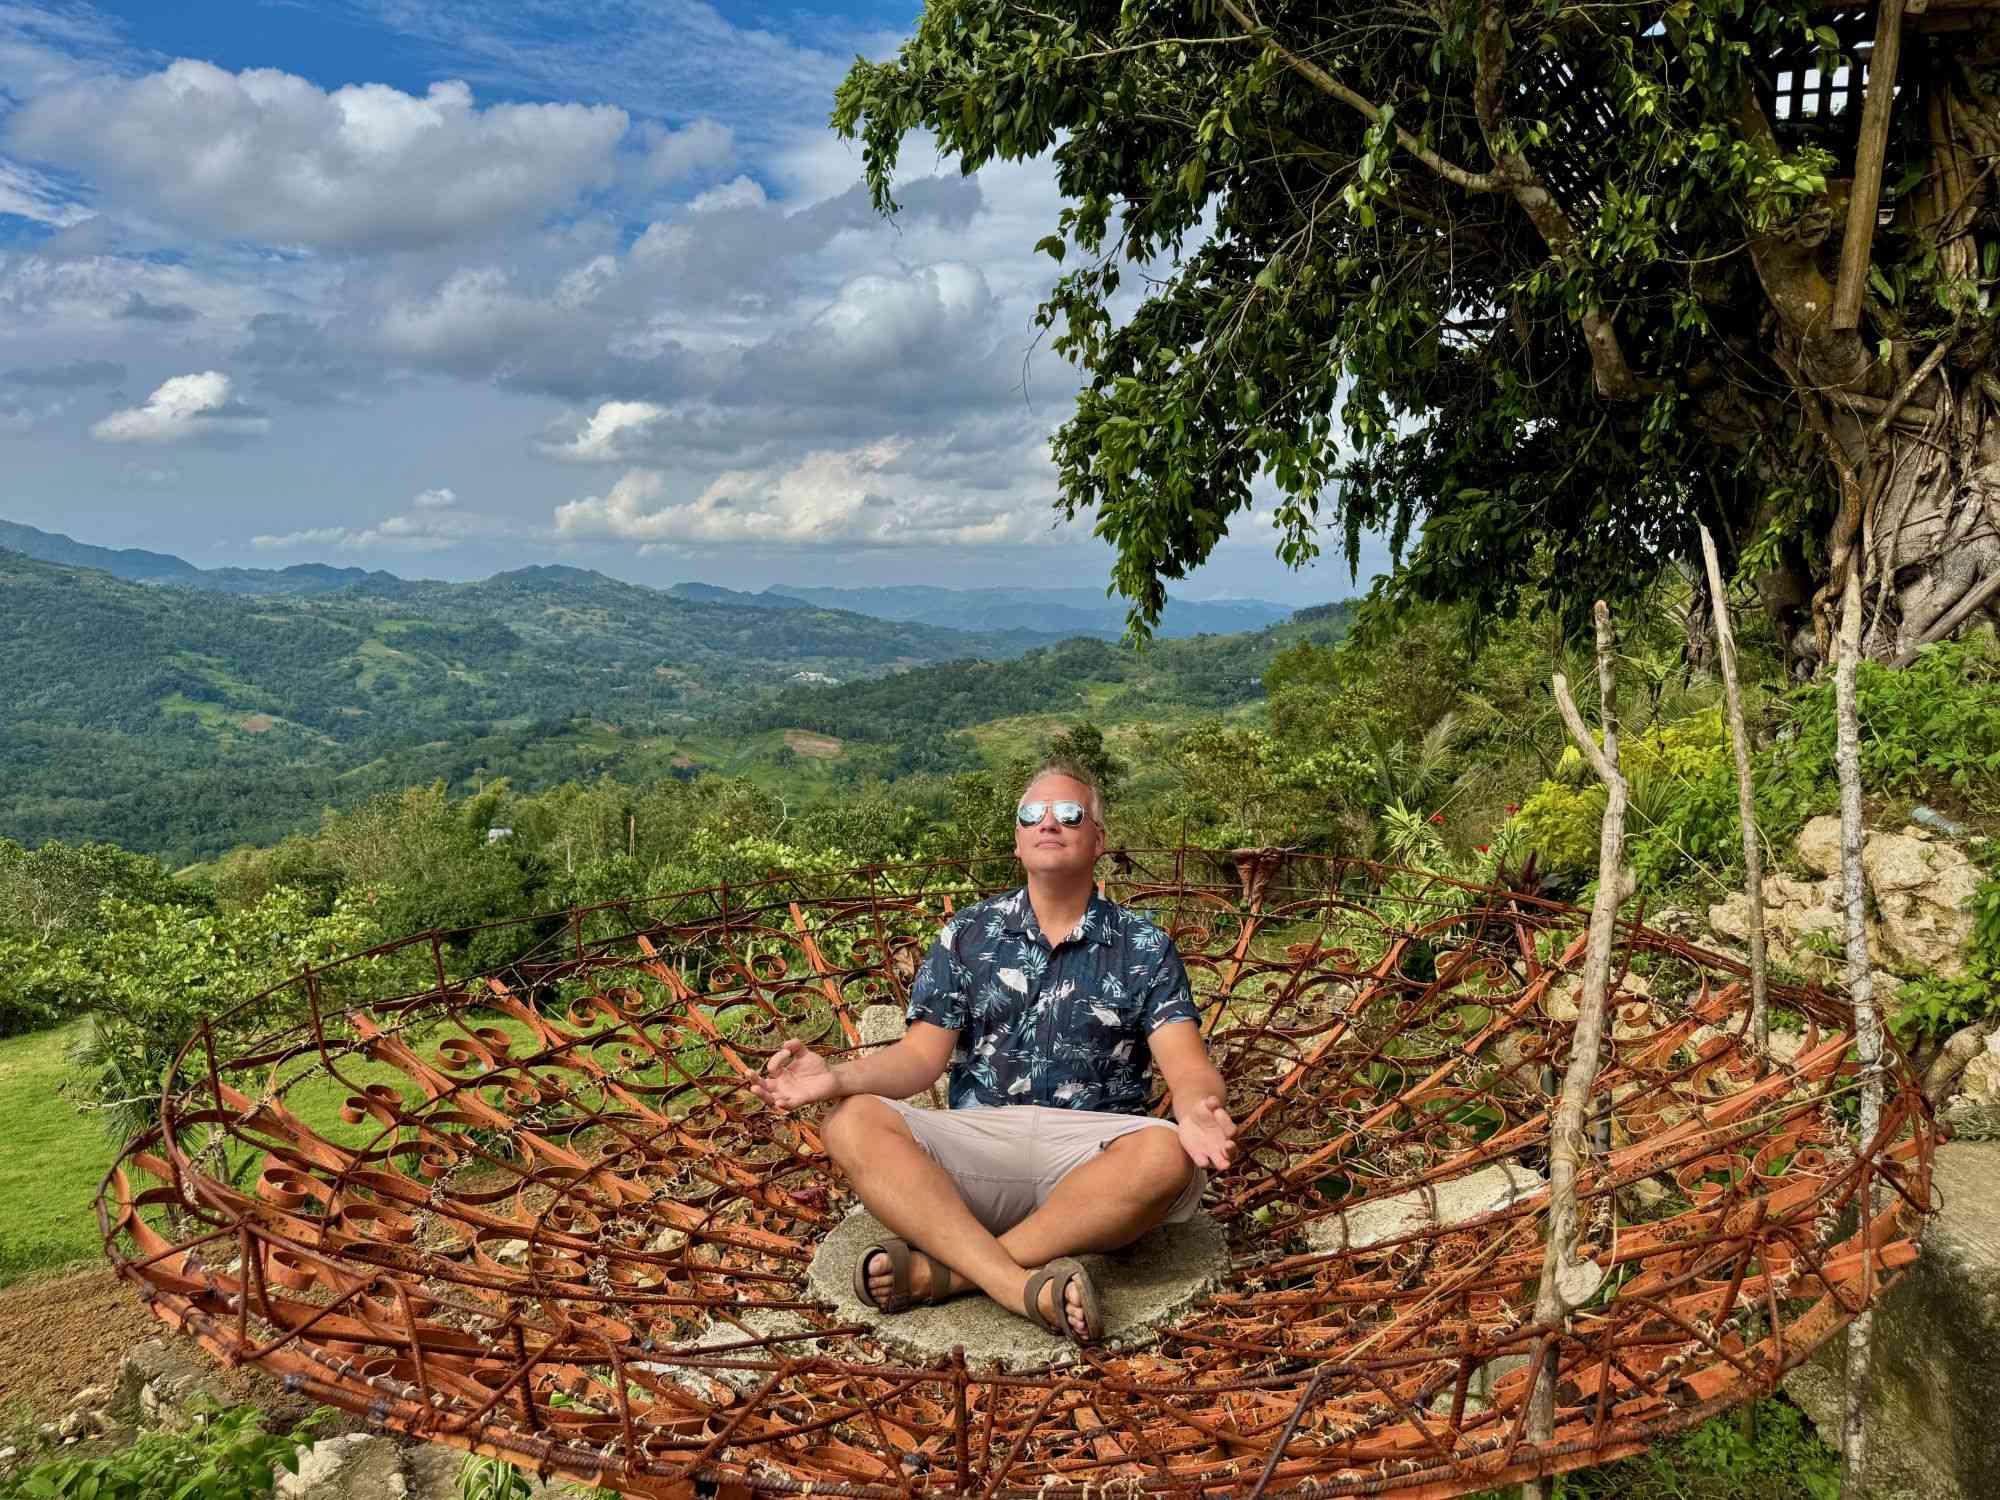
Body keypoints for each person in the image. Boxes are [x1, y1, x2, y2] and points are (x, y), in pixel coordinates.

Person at [749, 760, 1237, 1343]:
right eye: (1032, 814)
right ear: (1017, 839)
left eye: (1069, 814)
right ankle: (1013, 1283)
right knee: (850, 1121)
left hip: (1092, 1160)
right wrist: (837, 1078)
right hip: (981, 1142)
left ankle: (947, 1273)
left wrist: (1198, 1108)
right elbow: (919, 1059)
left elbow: (1187, 1065)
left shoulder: (1144, 946)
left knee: (1166, 1154)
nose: (1048, 824)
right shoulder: (967, 934)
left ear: (1098, 840)